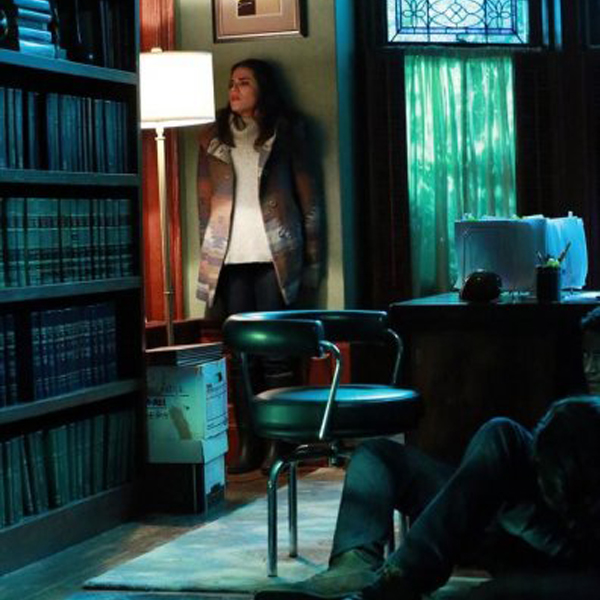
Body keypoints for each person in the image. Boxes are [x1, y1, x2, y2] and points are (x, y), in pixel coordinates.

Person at [255, 308, 600, 600]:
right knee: (376, 457)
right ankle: (350, 570)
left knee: (501, 434)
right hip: (503, 517)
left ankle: (392, 585)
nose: (591, 368)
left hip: (554, 548)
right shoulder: (578, 407)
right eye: (587, 355)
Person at [196, 58, 323, 474]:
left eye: (244, 83)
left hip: (275, 256)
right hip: (229, 260)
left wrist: (313, 261)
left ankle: (279, 443)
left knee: (276, 355)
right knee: (241, 357)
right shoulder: (212, 137)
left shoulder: (286, 133)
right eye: (231, 83)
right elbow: (204, 204)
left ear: (262, 88)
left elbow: (309, 200)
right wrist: (206, 259)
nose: (234, 90)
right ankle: (249, 444)